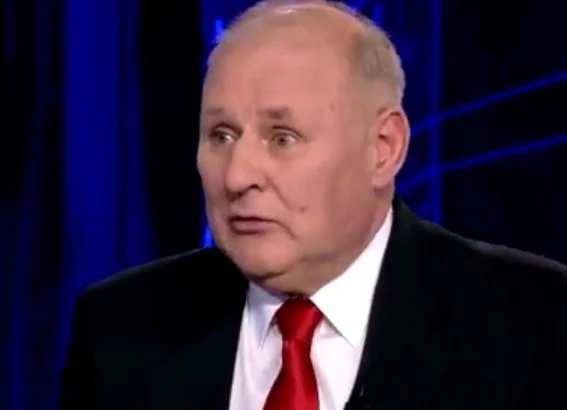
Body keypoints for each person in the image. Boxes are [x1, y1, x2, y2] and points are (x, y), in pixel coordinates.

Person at [59, 1, 567, 409]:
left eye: (282, 138)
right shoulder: (120, 330)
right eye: (221, 135)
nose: (237, 176)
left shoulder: (534, 324)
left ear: (383, 149)